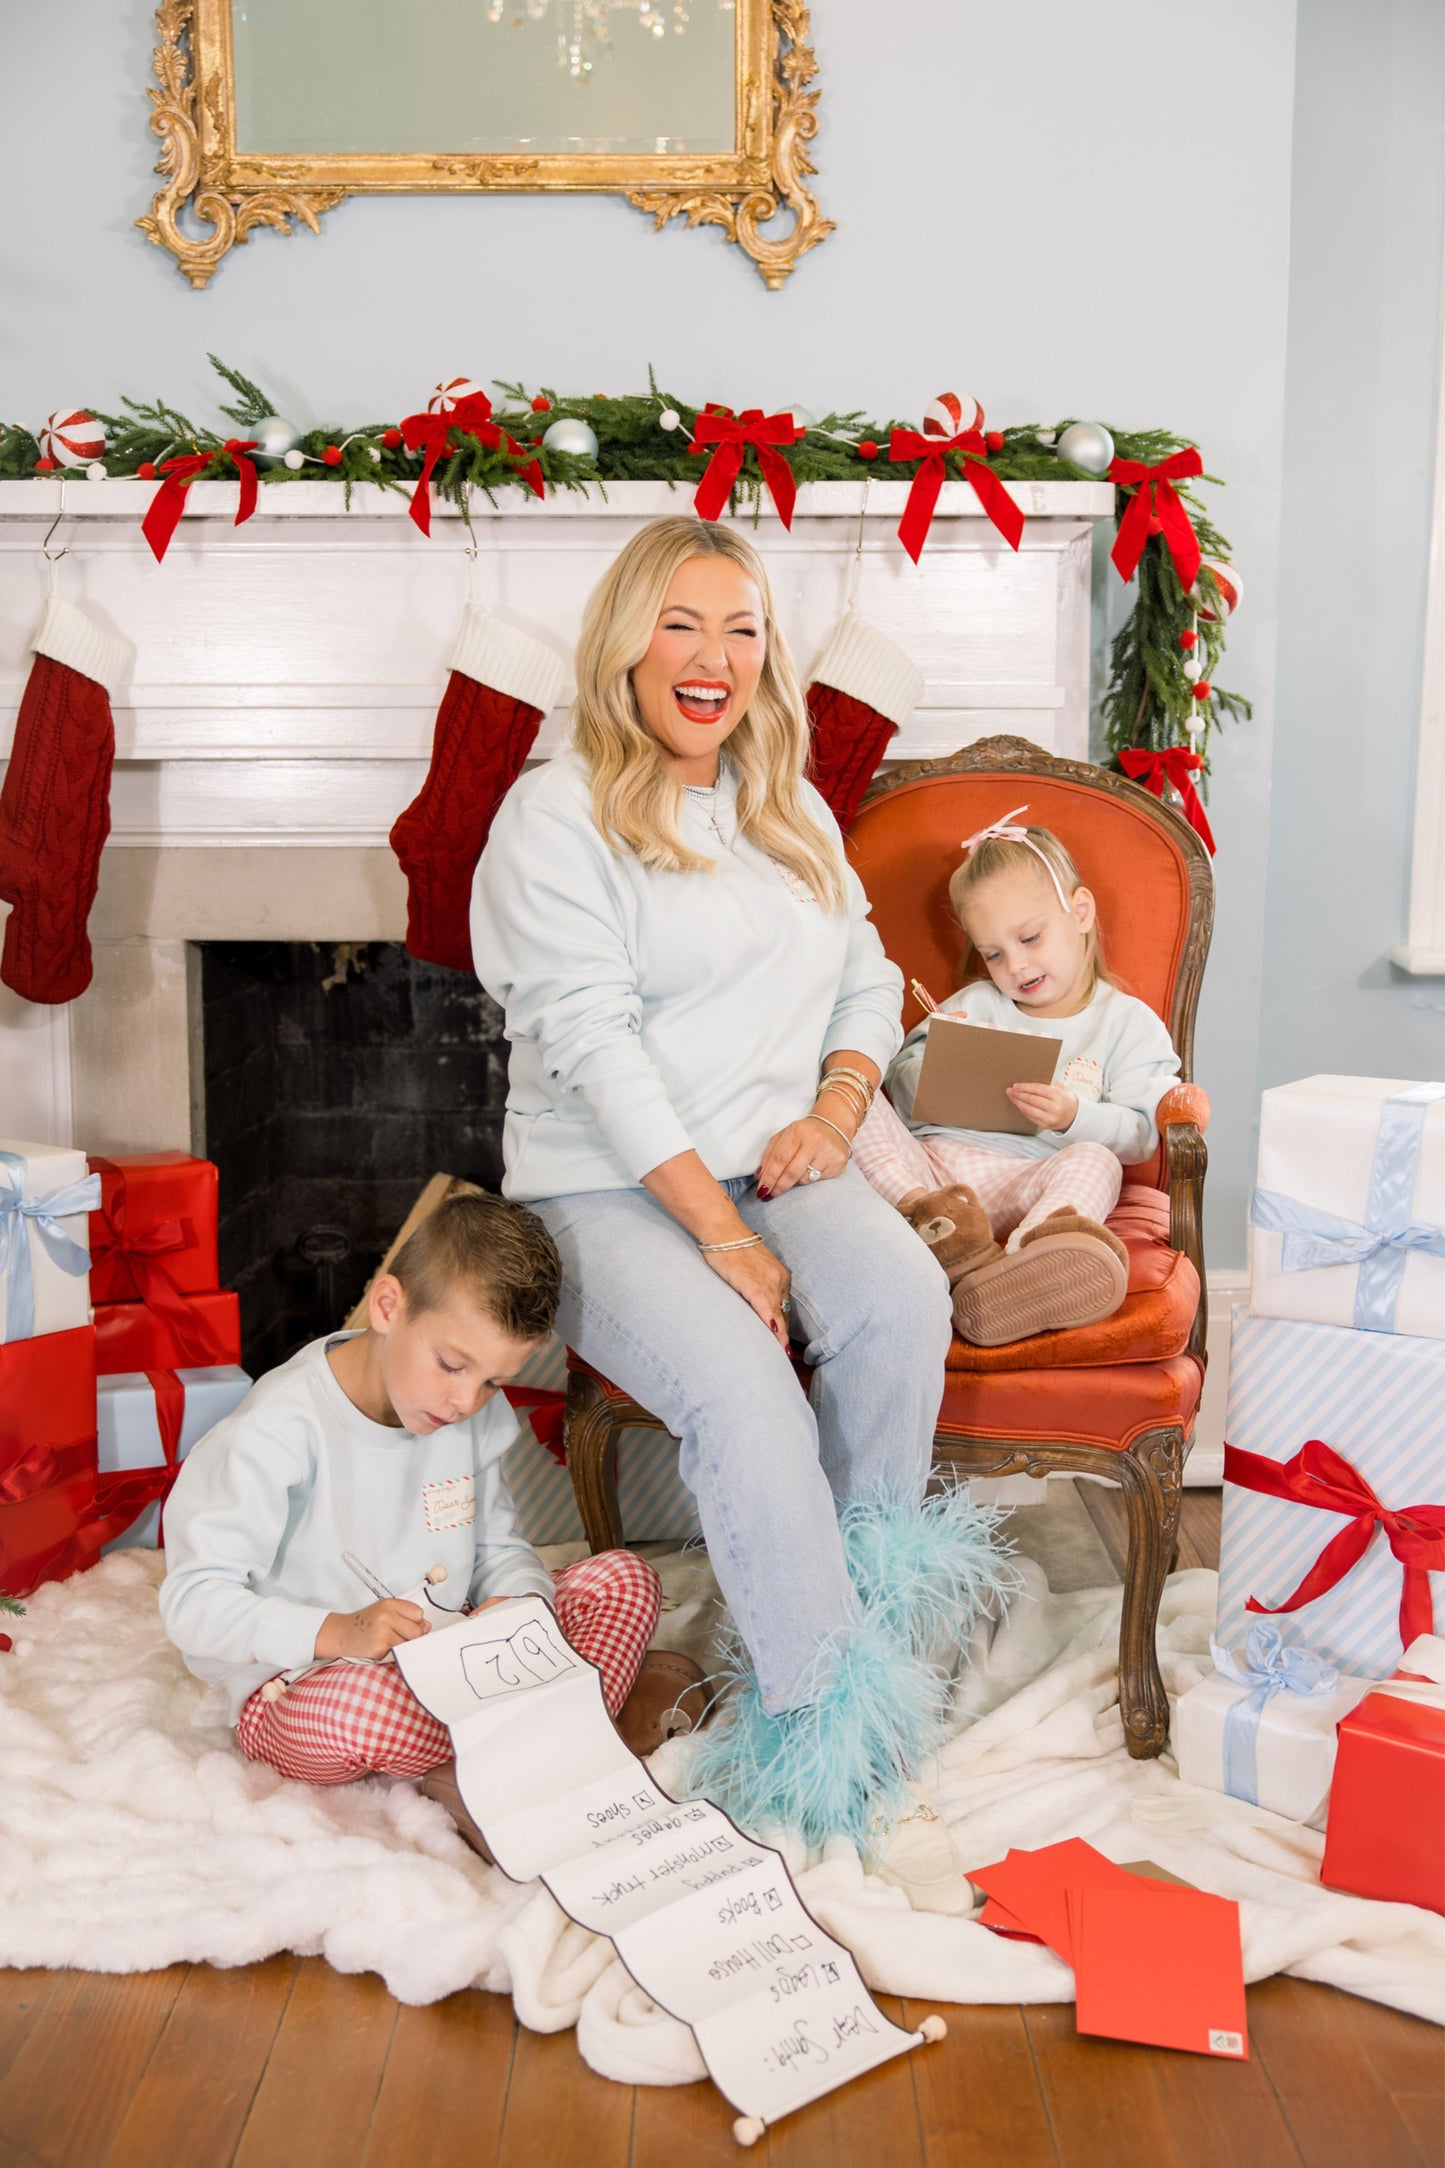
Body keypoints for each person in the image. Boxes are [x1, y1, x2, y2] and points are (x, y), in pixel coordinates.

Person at [471, 516, 1012, 1905]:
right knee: (743, 1391)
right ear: (626, 644)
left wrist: (834, 1112)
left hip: (778, 1163)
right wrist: (717, 1236)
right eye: (682, 624)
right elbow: (595, 1050)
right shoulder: (557, 815)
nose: (713, 658)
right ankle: (825, 1732)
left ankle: (865, 1640)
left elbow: (864, 975)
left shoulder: (786, 805)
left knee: (900, 1299)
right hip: (609, 1189)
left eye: (743, 630)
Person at [159, 1192, 701, 1850]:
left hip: (463, 1663)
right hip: (310, 1684)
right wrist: (338, 1631)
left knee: (626, 1577)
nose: (466, 1401)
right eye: (451, 1365)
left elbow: (503, 1547)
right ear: (388, 1307)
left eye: (495, 1382)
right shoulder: (276, 1433)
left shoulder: (470, 1415)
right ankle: (584, 1729)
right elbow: (192, 1605)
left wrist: (515, 1602)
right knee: (368, 1712)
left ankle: (492, 1764)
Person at [851, 808, 1180, 1345]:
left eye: (1030, 938)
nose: (1016, 968)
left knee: (1097, 1162)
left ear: (1080, 911)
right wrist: (931, 1072)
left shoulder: (1127, 1023)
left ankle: (1028, 1261)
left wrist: (1075, 1115)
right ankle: (942, 1236)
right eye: (994, 954)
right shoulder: (977, 1002)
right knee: (852, 1088)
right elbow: (899, 1082)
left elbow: (1144, 1132)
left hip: (1022, 1184)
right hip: (930, 1179)